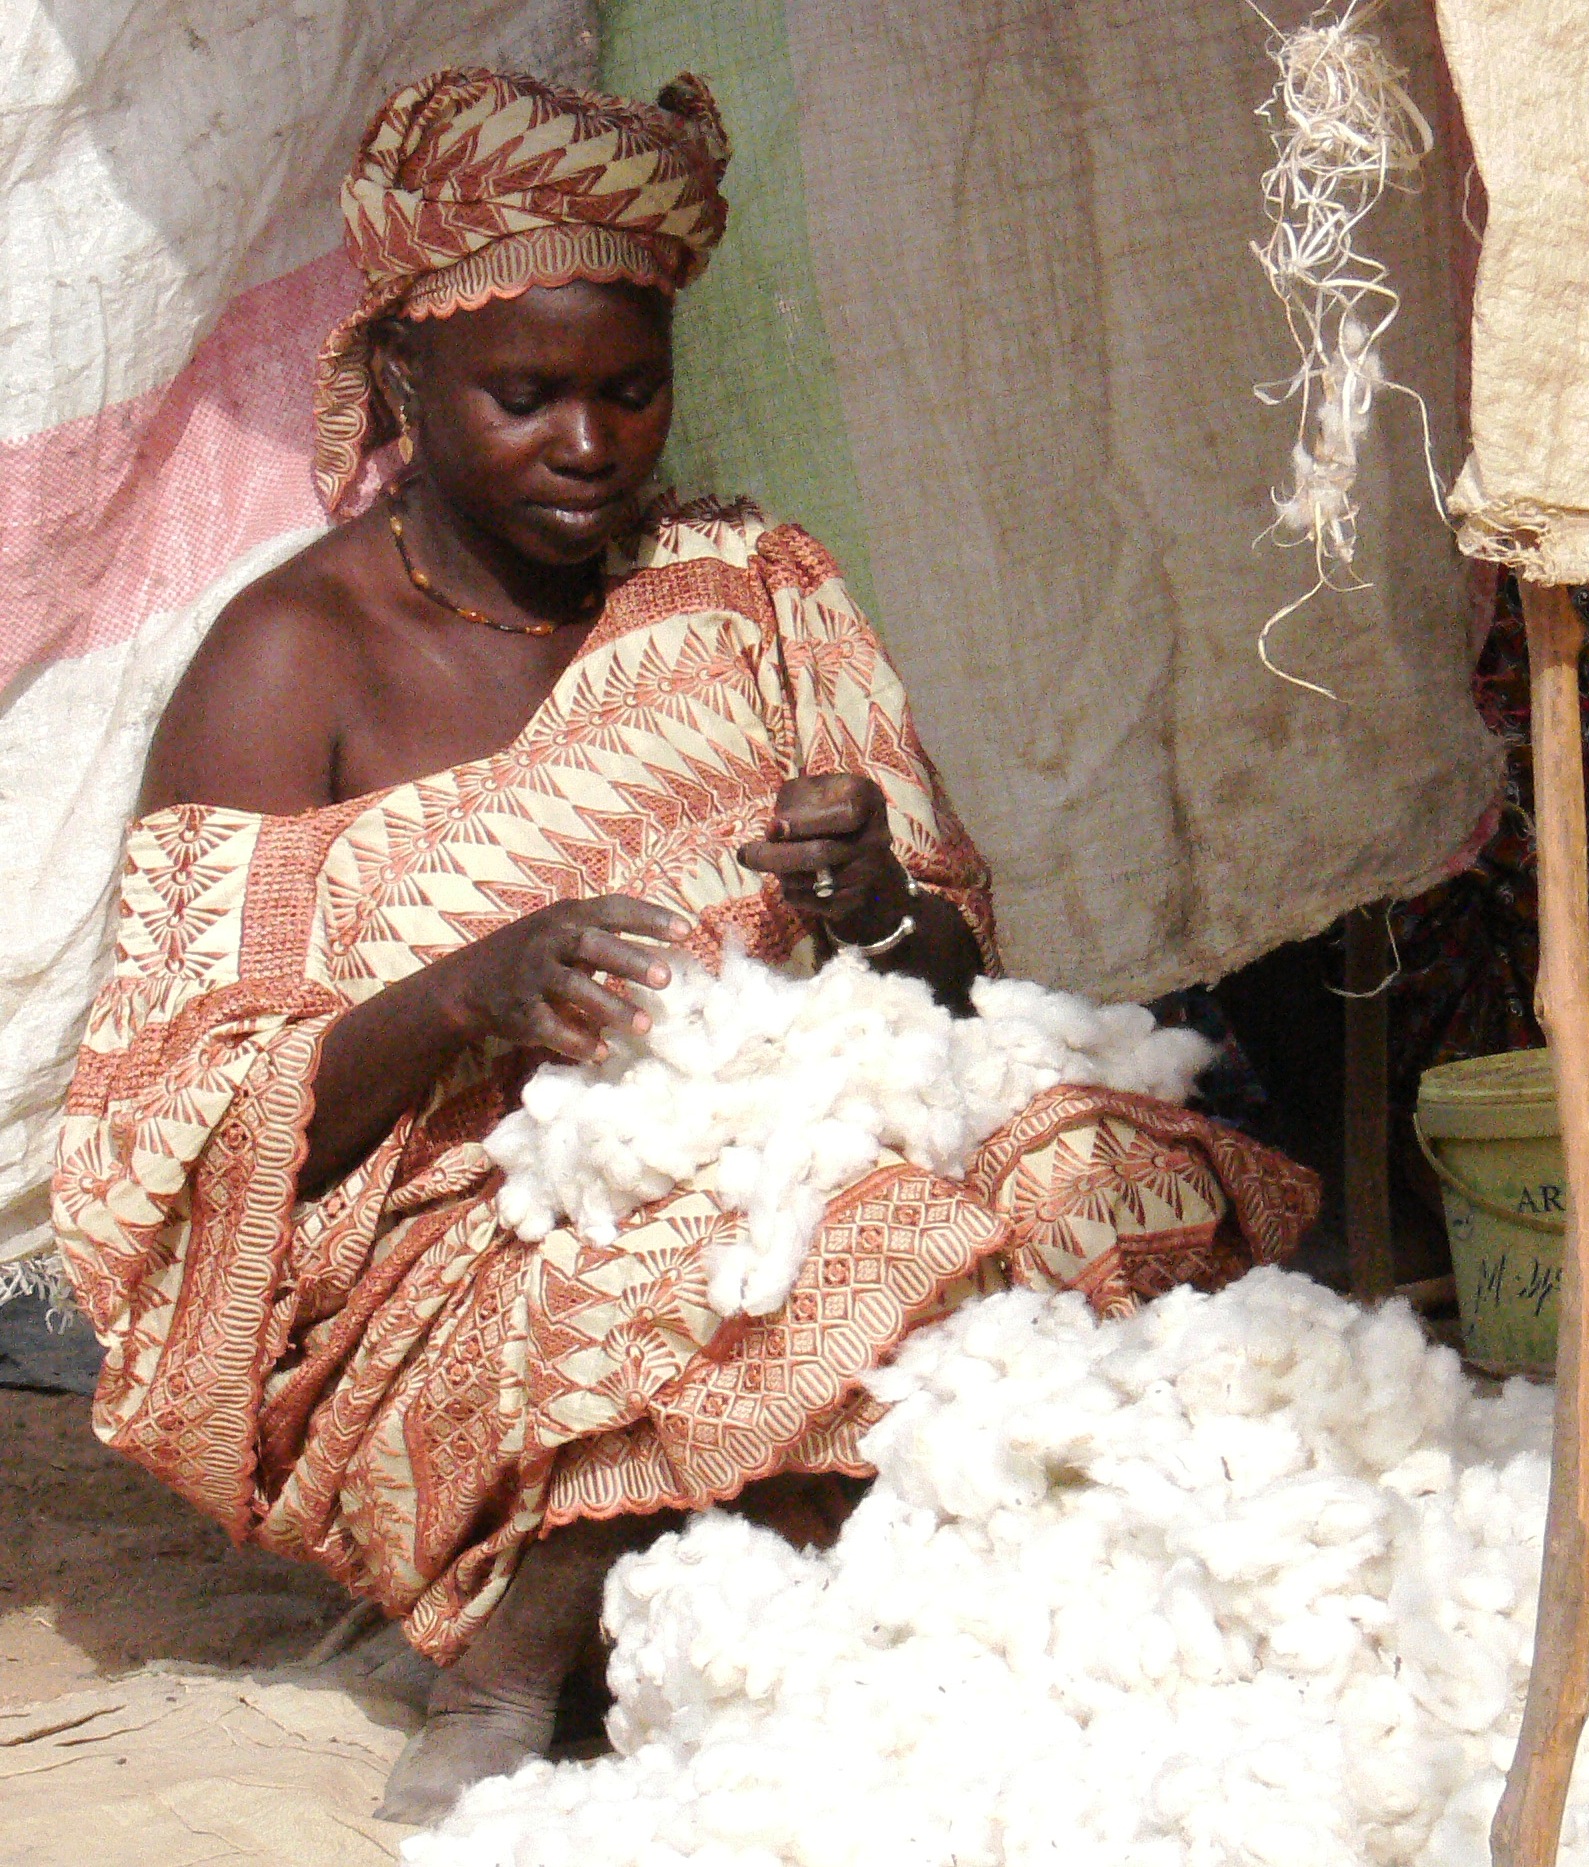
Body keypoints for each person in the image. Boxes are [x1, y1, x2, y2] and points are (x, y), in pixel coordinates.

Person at [50, 68, 1318, 1823]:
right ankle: (515, 1661)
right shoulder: (291, 659)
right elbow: (176, 1144)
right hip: (473, 1247)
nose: (588, 445)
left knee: (1097, 1170)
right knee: (806, 1258)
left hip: (821, 1150)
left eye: (628, 390)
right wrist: (464, 994)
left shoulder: (752, 590)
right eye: (525, 397)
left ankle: (795, 1565)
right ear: (402, 376)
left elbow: (952, 993)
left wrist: (873, 906)